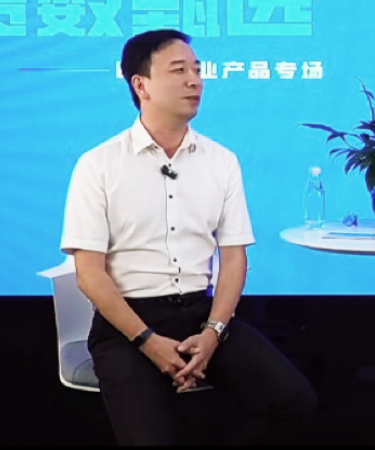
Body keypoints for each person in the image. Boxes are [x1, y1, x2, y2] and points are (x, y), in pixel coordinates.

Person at [60, 29, 317, 445]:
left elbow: (234, 259)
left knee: (294, 403)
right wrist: (148, 341)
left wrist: (213, 332)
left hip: (202, 315)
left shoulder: (222, 161)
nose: (195, 81)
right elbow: (89, 274)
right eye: (179, 71)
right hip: (127, 325)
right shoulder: (98, 165)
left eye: (197, 70)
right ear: (140, 85)